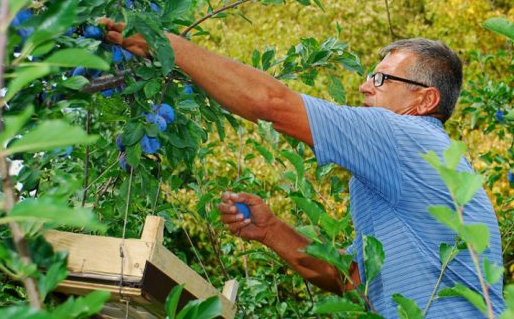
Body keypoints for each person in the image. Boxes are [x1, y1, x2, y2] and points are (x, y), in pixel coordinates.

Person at [101, 20, 504, 318]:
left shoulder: (407, 137)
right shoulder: (407, 171)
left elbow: (271, 103)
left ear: (423, 100)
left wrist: (165, 44)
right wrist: (272, 230)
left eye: (381, 78)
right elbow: (351, 281)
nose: (365, 86)